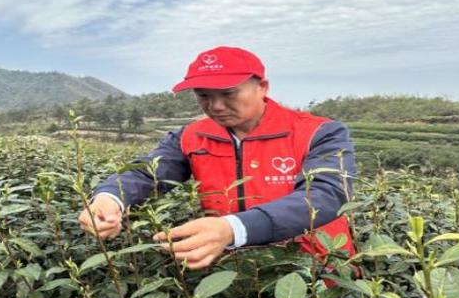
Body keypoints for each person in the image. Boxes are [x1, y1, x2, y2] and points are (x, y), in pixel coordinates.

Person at [78, 46, 356, 270]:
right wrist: (109, 197)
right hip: (234, 272)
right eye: (204, 96)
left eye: (228, 93)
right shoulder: (191, 136)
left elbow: (326, 195)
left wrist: (233, 228)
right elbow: (144, 173)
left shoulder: (320, 132)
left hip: (316, 270)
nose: (216, 106)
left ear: (263, 87)